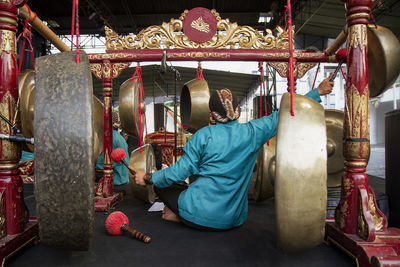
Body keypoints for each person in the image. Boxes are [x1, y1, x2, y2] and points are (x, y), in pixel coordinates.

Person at [133, 75, 334, 230]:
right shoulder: (252, 132)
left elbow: (177, 173)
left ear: (211, 114)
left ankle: (177, 216)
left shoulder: (202, 136)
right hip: (232, 221)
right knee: (172, 182)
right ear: (237, 109)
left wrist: (148, 177)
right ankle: (178, 215)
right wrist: (318, 91)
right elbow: (284, 113)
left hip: (197, 216)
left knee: (164, 184)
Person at [96, 111, 130, 185]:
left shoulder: (110, 137)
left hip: (117, 180)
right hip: (124, 178)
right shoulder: (120, 137)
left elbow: (104, 163)